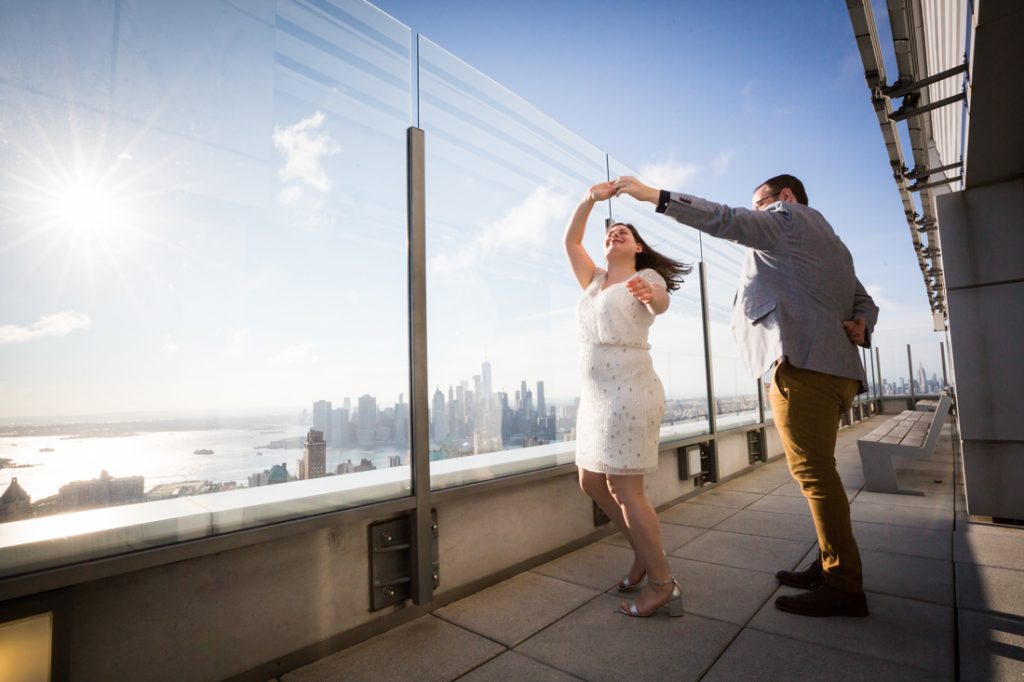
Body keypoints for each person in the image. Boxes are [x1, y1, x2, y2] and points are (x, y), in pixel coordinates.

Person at [613, 173, 879, 617]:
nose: (757, 214)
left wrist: (654, 196)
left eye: (760, 204)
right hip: (838, 371)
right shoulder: (835, 245)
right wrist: (863, 324)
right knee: (820, 473)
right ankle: (831, 561)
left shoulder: (786, 217)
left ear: (785, 197)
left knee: (815, 475)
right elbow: (863, 299)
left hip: (805, 367)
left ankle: (843, 583)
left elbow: (725, 219)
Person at [564, 181, 691, 618]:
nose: (614, 234)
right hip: (595, 398)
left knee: (624, 487)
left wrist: (651, 296)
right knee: (590, 480)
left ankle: (663, 583)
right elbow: (571, 241)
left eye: (624, 232)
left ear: (638, 246)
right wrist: (589, 199)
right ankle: (642, 551)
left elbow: (660, 303)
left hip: (630, 391)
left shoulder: (646, 277)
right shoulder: (593, 281)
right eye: (609, 233)